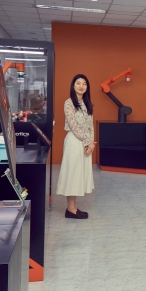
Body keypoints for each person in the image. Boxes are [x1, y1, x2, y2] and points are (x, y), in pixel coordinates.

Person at [56, 74, 96, 219]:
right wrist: (87, 141)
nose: (81, 86)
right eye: (78, 83)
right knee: (73, 174)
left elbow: (90, 125)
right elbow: (73, 126)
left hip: (86, 143)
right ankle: (71, 209)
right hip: (74, 141)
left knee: (79, 174)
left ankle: (73, 207)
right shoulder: (69, 103)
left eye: (84, 83)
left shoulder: (88, 104)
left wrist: (92, 143)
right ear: (73, 86)